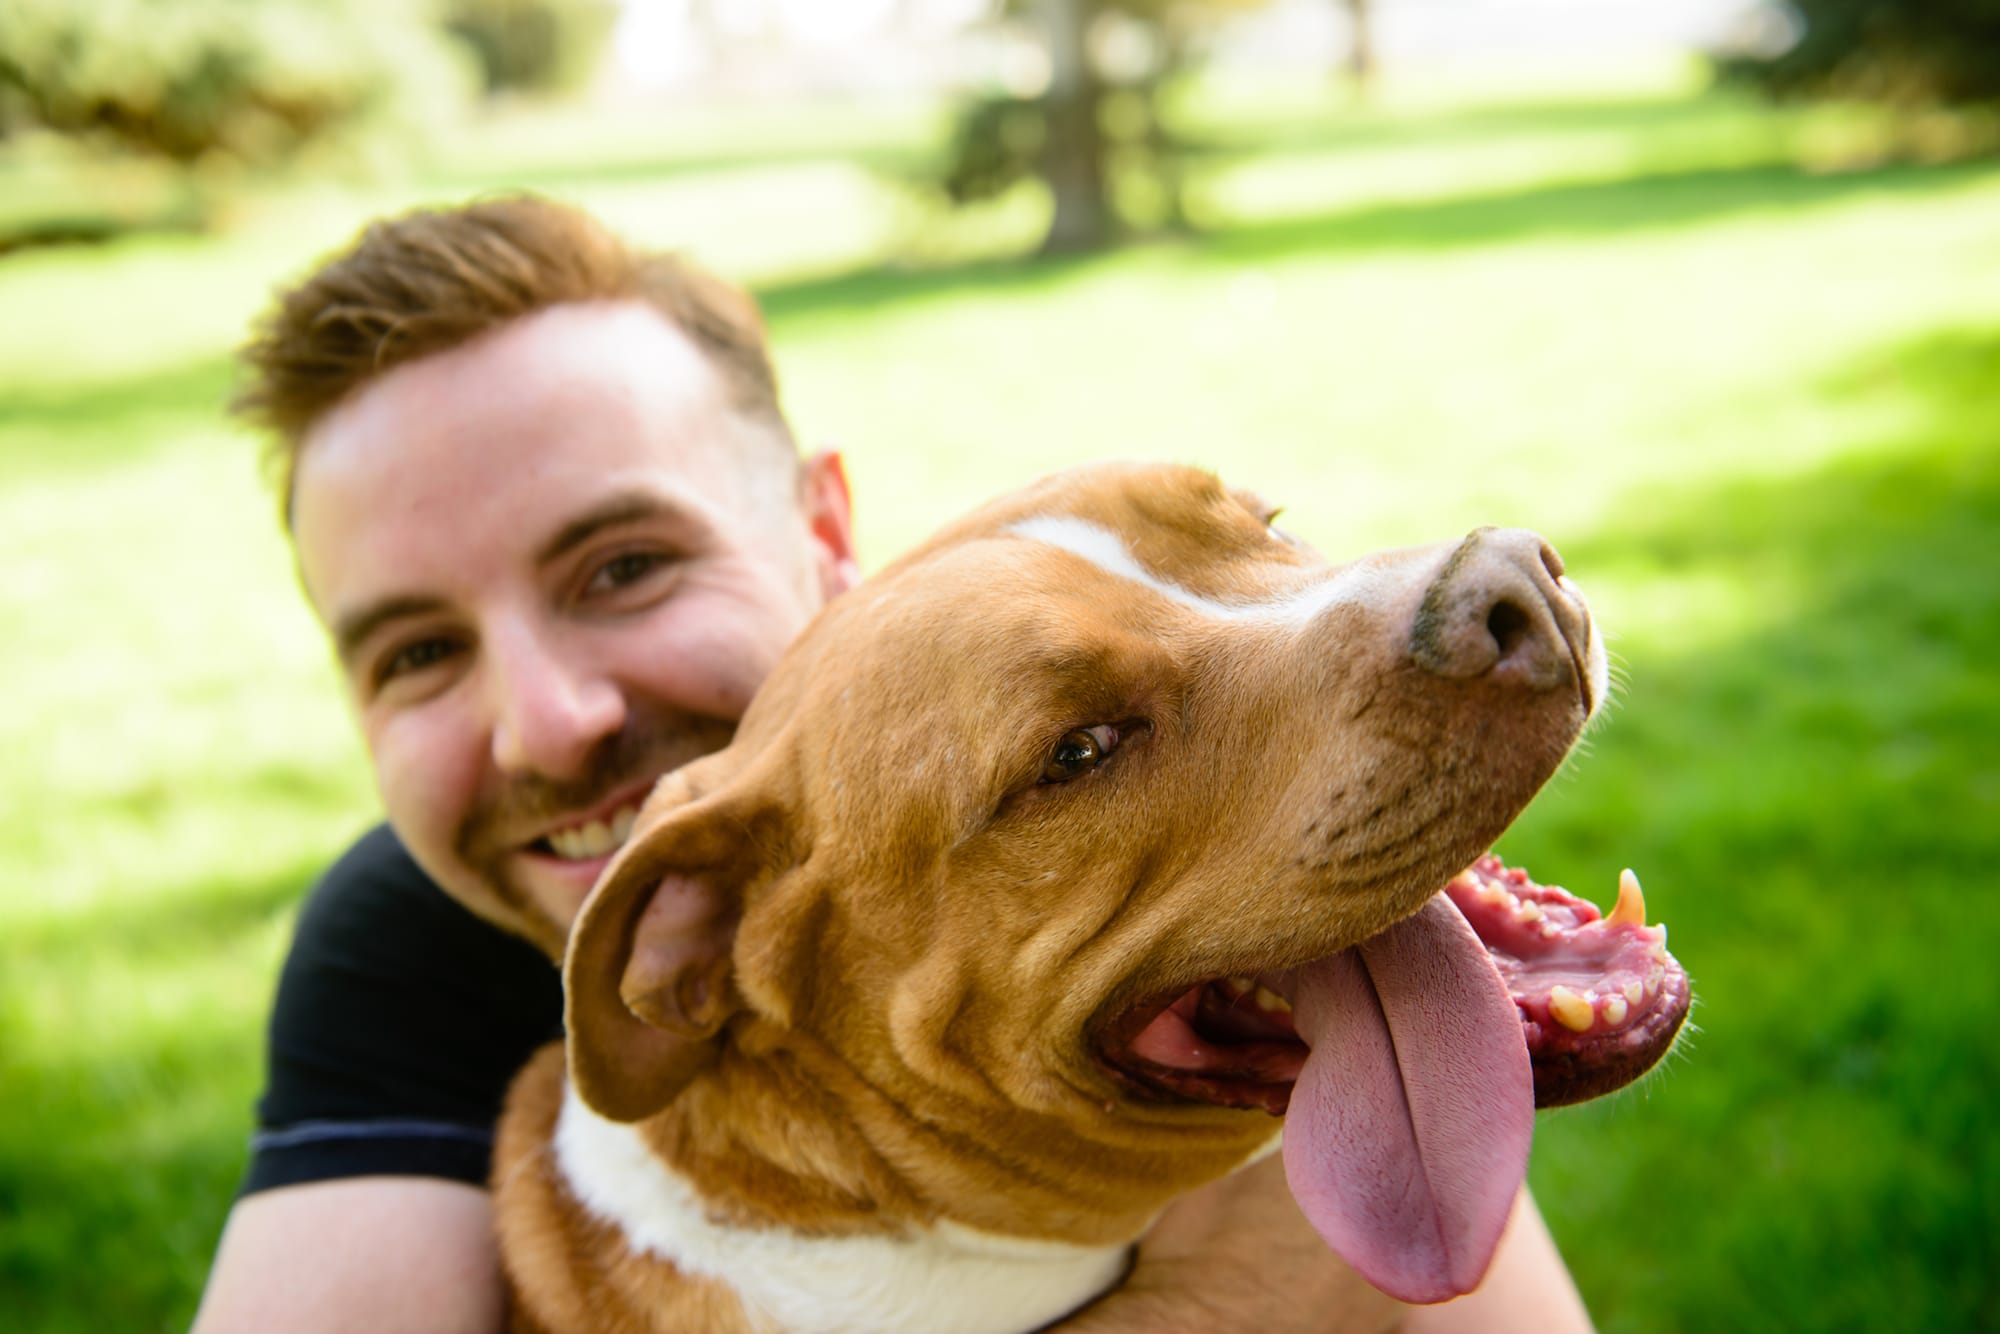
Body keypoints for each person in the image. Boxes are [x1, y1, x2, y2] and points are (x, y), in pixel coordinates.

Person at [192, 195, 1594, 1333]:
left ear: (827, 533)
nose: (547, 721)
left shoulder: (1006, 654)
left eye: (626, 564)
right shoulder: (394, 948)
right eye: (416, 651)